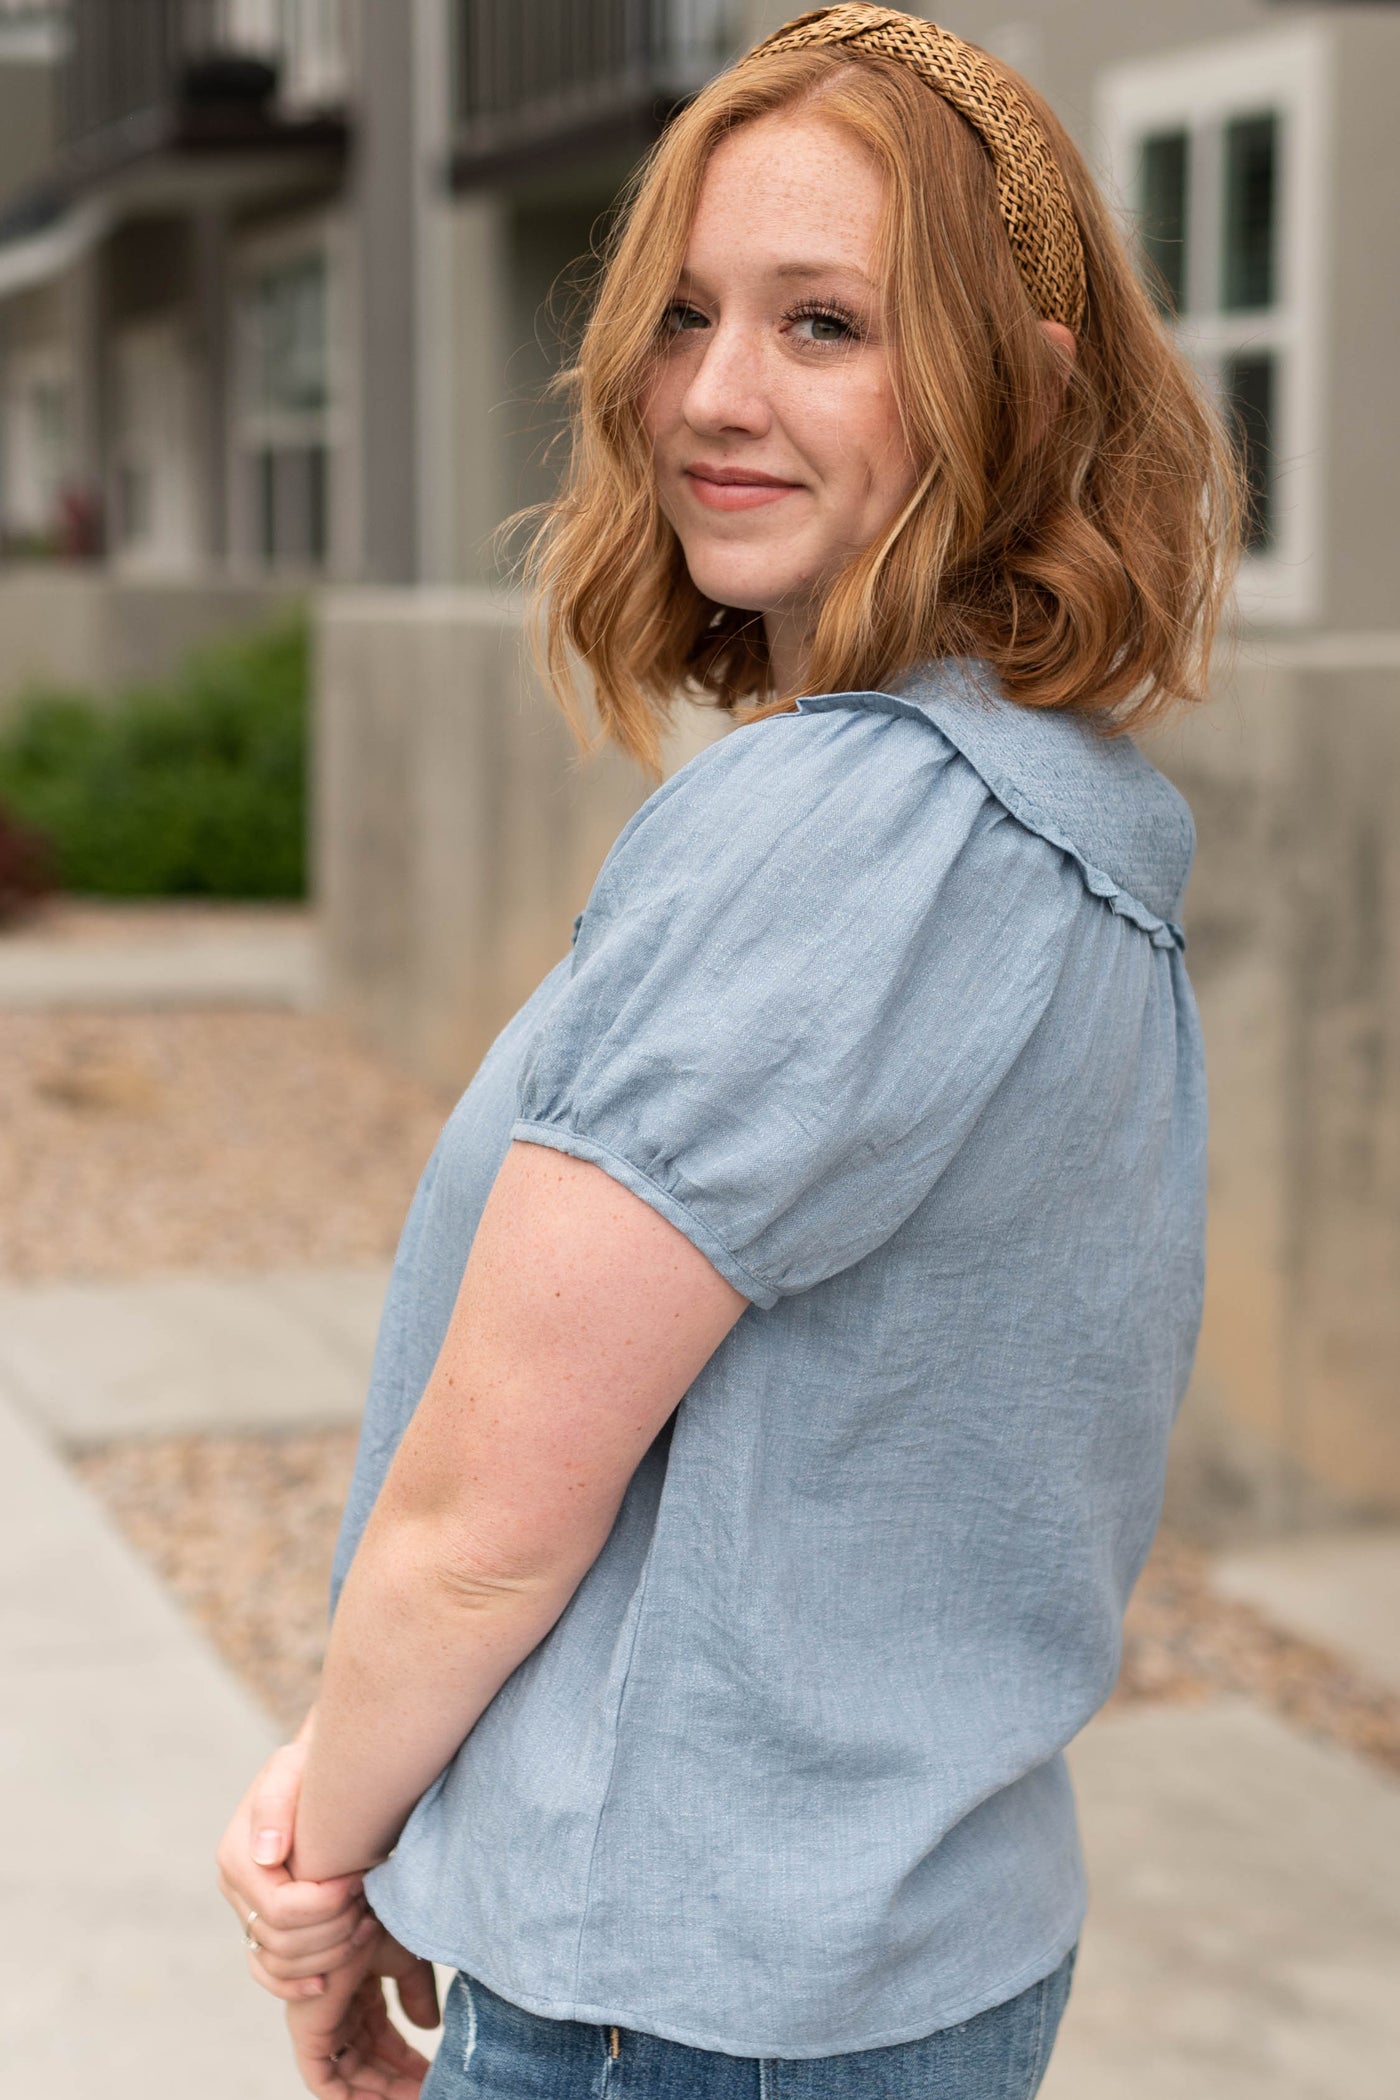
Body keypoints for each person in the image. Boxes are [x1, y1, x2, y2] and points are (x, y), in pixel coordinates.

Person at [217, 8, 1239, 2096]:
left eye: (825, 324)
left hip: (666, 2001)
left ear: (1018, 386)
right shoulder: (1055, 826)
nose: (712, 395)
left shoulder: (835, 833)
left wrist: (323, 1869)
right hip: (913, 1959)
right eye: (685, 314)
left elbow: (484, 1516)